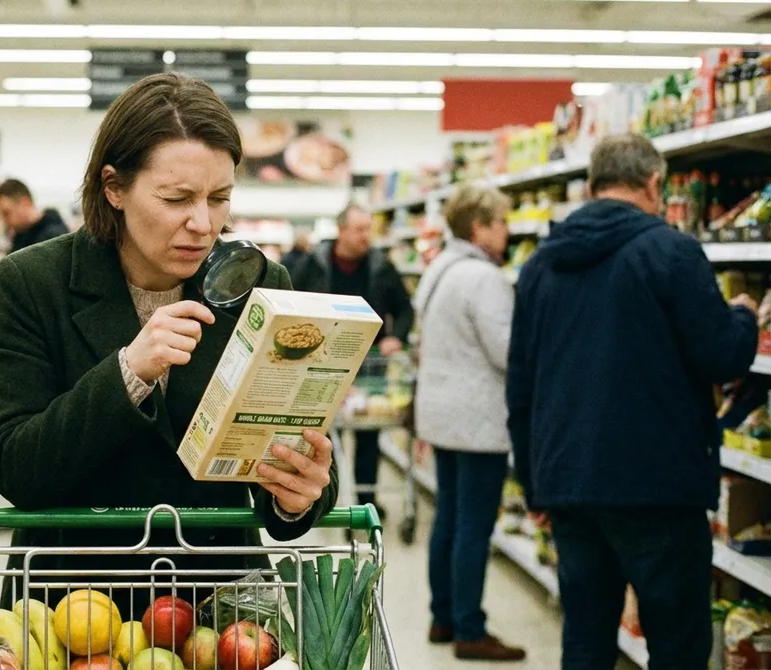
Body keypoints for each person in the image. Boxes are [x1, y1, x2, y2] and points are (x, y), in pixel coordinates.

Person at [0, 72, 339, 620]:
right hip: (75, 610)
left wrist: (302, 493)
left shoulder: (262, 287)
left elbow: (289, 444)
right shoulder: (35, 281)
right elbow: (15, 466)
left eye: (219, 198)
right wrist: (128, 371)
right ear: (114, 187)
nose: (203, 223)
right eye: (177, 198)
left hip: (219, 610)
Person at [506, 132, 758, 670]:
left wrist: (535, 485)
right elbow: (721, 356)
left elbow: (521, 386)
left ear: (593, 186)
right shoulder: (673, 252)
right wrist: (743, 314)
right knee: (676, 643)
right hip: (658, 487)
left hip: (568, 482)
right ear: (652, 184)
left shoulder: (540, 266)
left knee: (586, 639)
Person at [413, 185, 524, 661]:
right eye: (501, 221)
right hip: (477, 419)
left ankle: (442, 616)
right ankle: (470, 628)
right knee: (473, 526)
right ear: (479, 226)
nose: (508, 230)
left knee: (449, 519)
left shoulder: (439, 268)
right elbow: (508, 353)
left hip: (440, 413)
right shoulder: (484, 278)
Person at [292, 205, 415, 512]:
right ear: (341, 230)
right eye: (359, 229)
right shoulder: (314, 264)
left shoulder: (381, 266)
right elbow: (291, 302)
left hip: (369, 364)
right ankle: (323, 498)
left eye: (368, 229)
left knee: (368, 434)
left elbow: (405, 308)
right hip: (323, 364)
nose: (366, 236)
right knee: (319, 433)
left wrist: (395, 336)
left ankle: (365, 502)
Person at [0, 178, 70, 252]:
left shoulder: (53, 238)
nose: (4, 221)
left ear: (25, 203)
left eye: (6, 213)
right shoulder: (21, 236)